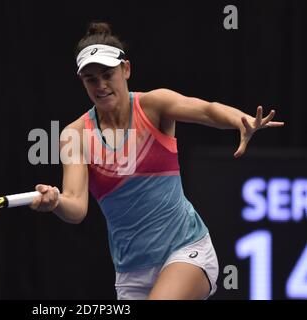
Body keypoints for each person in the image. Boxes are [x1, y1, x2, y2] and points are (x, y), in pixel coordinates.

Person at [29, 22, 284, 300]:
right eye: (91, 79)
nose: (101, 86)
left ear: (126, 69)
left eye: (108, 74)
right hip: (130, 272)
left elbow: (208, 111)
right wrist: (56, 202)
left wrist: (240, 121)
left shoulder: (154, 106)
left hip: (187, 250)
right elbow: (75, 207)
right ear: (82, 82)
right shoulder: (74, 135)